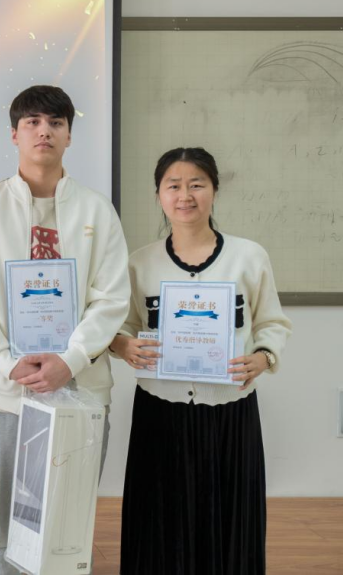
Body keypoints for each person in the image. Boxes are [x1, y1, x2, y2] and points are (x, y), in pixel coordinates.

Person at [0, 85, 131, 574]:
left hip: (80, 389)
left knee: (66, 525)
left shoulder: (97, 211)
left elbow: (112, 299)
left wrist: (69, 361)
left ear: (70, 135)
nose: (43, 131)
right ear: (14, 134)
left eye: (55, 123)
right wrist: (9, 363)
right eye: (32, 122)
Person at [110, 147, 292, 575]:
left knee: (231, 522)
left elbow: (272, 323)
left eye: (197, 184)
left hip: (230, 409)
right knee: (158, 523)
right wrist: (124, 346)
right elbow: (120, 327)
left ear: (214, 190)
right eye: (173, 185)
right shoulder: (139, 262)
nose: (185, 195)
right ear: (159, 194)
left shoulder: (249, 256)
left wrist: (263, 358)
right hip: (160, 410)